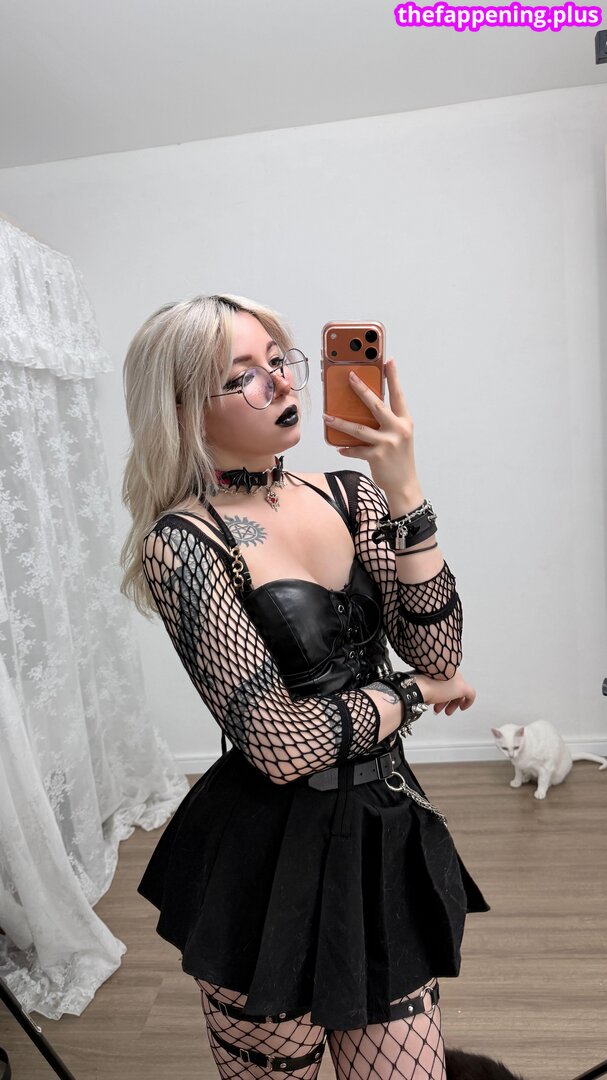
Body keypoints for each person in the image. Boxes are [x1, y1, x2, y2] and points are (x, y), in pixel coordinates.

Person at [120, 293, 489, 1080]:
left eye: (279, 360)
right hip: (265, 861)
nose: (283, 381)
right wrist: (412, 696)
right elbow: (281, 745)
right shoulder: (182, 542)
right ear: (183, 410)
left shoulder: (350, 496)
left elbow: (437, 649)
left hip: (379, 829)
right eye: (243, 376)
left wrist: (405, 492)